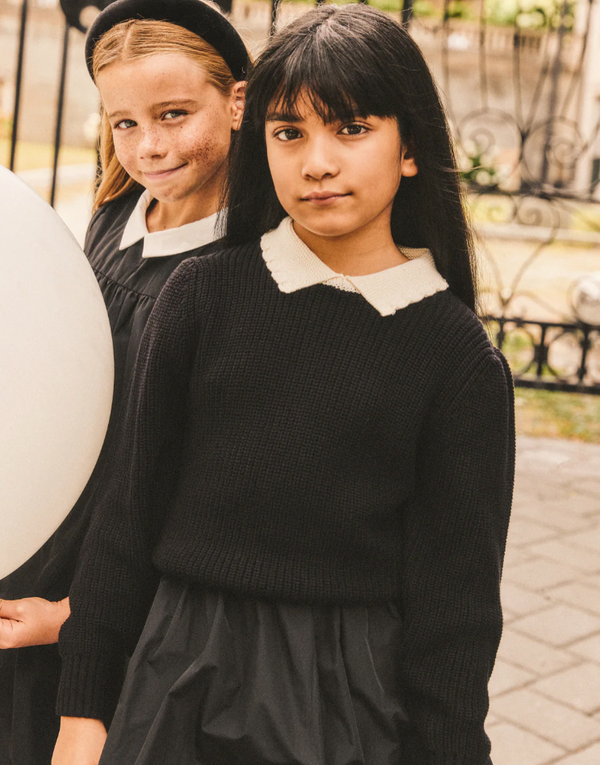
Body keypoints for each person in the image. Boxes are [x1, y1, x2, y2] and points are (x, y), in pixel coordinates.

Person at [53, 5, 515, 764]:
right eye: (289, 132)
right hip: (174, 669)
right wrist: (83, 708)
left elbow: (456, 609)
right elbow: (129, 511)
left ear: (409, 148)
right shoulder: (202, 295)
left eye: (352, 128)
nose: (318, 161)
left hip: (342, 697)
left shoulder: (455, 357)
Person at [0, 1, 248, 763]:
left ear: (238, 100)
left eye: (173, 114)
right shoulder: (113, 217)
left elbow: (212, 496)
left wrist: (74, 616)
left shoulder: (241, 276)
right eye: (125, 123)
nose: (150, 146)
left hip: (111, 600)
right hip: (34, 545)